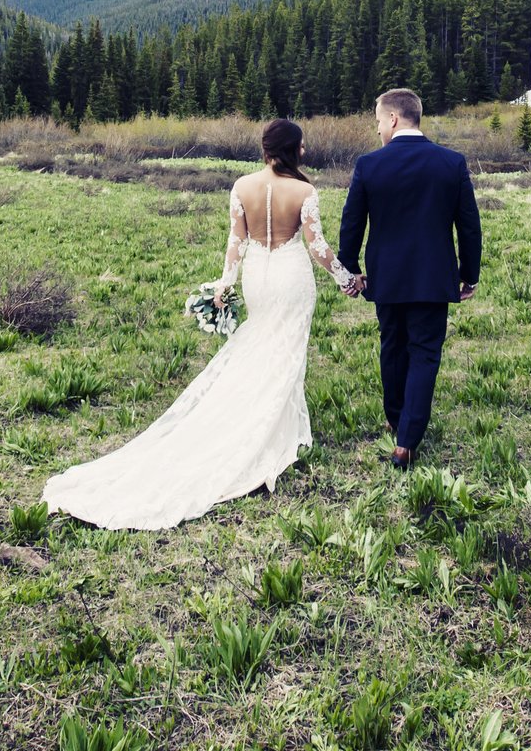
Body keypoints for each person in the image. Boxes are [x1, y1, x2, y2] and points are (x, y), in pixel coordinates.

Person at [42, 118, 354, 530]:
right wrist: (346, 278)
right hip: (291, 278)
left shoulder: (242, 187)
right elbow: (316, 246)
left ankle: (271, 418)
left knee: (261, 343)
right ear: (294, 148)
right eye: (302, 146)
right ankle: (273, 431)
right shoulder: (305, 191)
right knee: (285, 349)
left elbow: (236, 242)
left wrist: (224, 284)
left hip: (257, 278)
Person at [337, 88, 483, 468]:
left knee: (392, 345)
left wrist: (350, 270)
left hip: (387, 277)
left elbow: (352, 223)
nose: (378, 131)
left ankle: (395, 416)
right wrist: (469, 275)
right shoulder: (451, 163)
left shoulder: (369, 165)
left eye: (378, 123)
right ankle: (407, 439)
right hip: (434, 277)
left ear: (394, 119)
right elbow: (469, 225)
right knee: (424, 353)